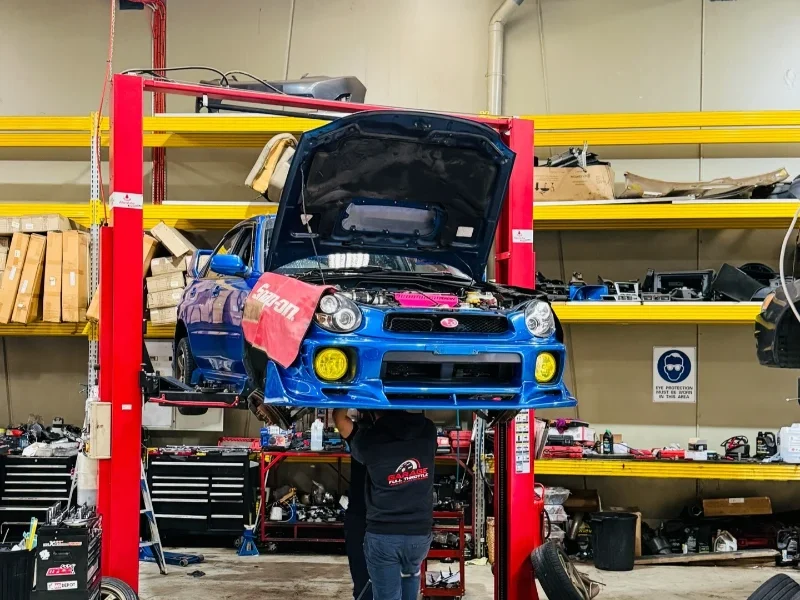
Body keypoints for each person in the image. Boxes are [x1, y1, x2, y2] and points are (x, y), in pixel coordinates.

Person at [336, 409, 437, 600]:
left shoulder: (369, 440)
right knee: (409, 581)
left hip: (384, 535)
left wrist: (348, 391)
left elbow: (339, 418)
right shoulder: (429, 432)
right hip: (419, 536)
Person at [333, 410, 373, 600]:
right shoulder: (363, 434)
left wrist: (347, 391)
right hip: (374, 516)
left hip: (366, 517)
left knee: (365, 578)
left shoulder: (361, 434)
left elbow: (339, 417)